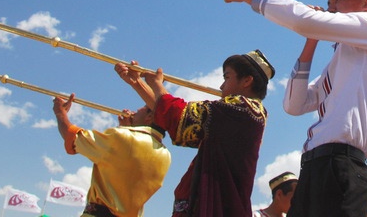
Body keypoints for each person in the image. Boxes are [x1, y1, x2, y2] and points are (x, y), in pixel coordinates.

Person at [219, 0, 367, 217]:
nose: (331, 9)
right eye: (328, 3)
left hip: (341, 165)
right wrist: (311, 41)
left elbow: (306, 20)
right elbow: (294, 104)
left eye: (338, 0)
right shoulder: (341, 62)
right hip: (317, 165)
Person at [116, 50, 274, 217]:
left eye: (227, 78)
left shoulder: (241, 108)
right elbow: (173, 116)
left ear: (247, 81)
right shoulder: (246, 113)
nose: (221, 86)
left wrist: (157, 85)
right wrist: (137, 83)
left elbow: (180, 116)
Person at [52, 93, 172, 217]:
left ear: (150, 116)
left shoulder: (122, 138)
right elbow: (126, 168)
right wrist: (128, 129)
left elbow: (72, 137)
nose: (137, 110)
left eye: (142, 107)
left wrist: (60, 112)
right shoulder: (166, 155)